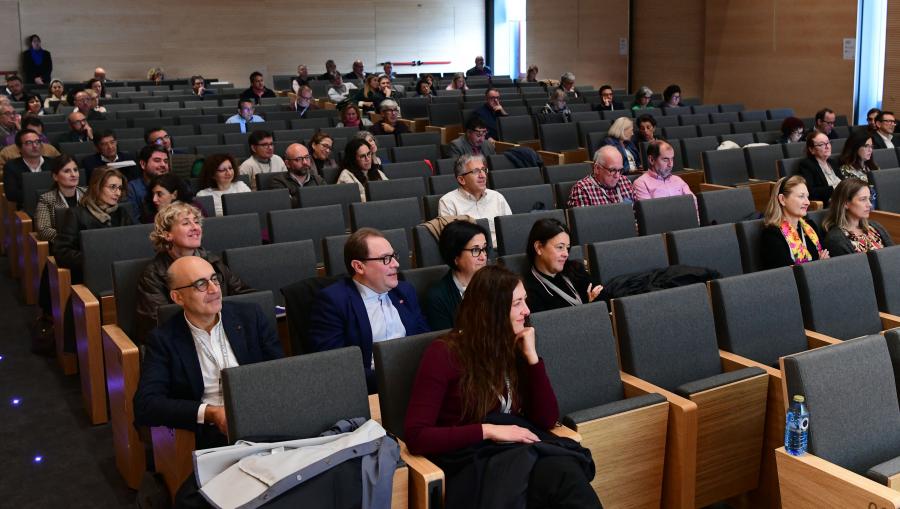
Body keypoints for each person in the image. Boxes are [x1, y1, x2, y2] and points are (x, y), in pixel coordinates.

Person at [404, 264, 602, 508]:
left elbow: (546, 418)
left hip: (516, 453)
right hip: (471, 460)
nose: (527, 311)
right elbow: (416, 435)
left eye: (525, 301)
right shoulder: (444, 353)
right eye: (517, 303)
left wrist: (532, 358)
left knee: (563, 471)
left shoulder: (511, 344)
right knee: (559, 474)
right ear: (492, 310)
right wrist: (488, 430)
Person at [134, 255, 283, 449]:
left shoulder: (250, 317)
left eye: (214, 279)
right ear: (177, 297)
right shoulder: (164, 339)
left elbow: (280, 371)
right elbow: (147, 404)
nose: (214, 290)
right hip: (211, 433)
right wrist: (211, 413)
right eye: (200, 284)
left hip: (263, 415)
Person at [308, 227, 430, 393]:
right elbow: (336, 365)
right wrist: (395, 380)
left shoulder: (405, 291)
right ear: (359, 267)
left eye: (394, 256)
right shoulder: (333, 302)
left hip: (417, 383)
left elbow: (424, 340)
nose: (396, 264)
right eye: (386, 259)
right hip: (370, 390)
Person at [135, 203, 255, 342]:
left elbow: (244, 294)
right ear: (167, 235)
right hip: (183, 340)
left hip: (224, 331)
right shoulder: (153, 275)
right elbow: (157, 321)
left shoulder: (213, 262)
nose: (195, 228)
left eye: (196, 222)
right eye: (186, 223)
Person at [53, 166, 133, 284]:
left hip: (121, 272)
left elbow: (133, 243)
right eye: (112, 187)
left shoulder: (121, 213)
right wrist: (94, 258)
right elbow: (62, 252)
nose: (118, 193)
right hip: (89, 275)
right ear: (97, 187)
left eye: (120, 188)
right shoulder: (76, 214)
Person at [522, 218, 602, 313]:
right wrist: (589, 308)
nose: (566, 254)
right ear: (539, 247)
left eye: (567, 248)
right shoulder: (528, 290)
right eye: (560, 247)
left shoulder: (575, 269)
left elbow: (605, 299)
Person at [424, 220, 490, 330]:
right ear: (455, 257)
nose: (483, 257)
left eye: (484, 249)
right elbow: (447, 342)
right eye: (475, 250)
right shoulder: (437, 297)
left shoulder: (496, 284)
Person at [438, 154, 512, 245]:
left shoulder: (497, 197)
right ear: (461, 180)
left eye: (484, 170)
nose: (483, 175)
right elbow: (450, 240)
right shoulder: (448, 202)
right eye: (476, 171)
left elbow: (510, 230)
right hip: (471, 254)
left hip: (501, 250)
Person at [760, 175, 829, 269]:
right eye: (801, 196)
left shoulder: (810, 226)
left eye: (807, 197)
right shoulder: (772, 234)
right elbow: (786, 274)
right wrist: (818, 264)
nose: (807, 202)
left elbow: (828, 260)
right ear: (782, 199)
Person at [823, 178, 893, 257]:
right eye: (863, 199)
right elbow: (855, 268)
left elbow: (894, 256)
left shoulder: (875, 226)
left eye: (869, 199)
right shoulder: (836, 240)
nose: (869, 204)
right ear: (846, 203)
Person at [34, 155, 85, 242]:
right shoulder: (46, 199)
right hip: (63, 246)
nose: (73, 174)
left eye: (75, 170)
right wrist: (71, 238)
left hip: (88, 242)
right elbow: (44, 230)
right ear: (55, 177)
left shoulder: (88, 194)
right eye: (67, 171)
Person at [567, 145, 635, 208]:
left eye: (620, 170)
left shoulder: (625, 182)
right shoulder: (582, 189)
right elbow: (584, 220)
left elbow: (637, 213)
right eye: (612, 170)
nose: (617, 176)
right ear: (597, 168)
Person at [3, 129, 55, 207]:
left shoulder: (52, 163)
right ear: (19, 147)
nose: (35, 146)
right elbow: (11, 195)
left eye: (37, 142)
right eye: (29, 143)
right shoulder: (11, 166)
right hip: (27, 208)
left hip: (54, 205)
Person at [797, 131, 840, 206]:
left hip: (842, 198)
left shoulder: (833, 162)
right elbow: (810, 192)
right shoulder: (807, 165)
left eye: (828, 142)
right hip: (829, 203)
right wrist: (834, 188)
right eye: (821, 144)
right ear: (812, 150)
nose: (827, 146)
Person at [127, 145, 169, 222]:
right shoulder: (132, 188)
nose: (163, 165)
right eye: (157, 160)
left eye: (166, 161)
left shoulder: (175, 184)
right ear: (143, 164)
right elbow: (134, 222)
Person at [337, 138, 387, 202]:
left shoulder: (377, 172)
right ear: (353, 159)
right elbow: (355, 199)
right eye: (362, 156)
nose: (367, 159)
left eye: (368, 154)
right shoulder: (346, 175)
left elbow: (388, 189)